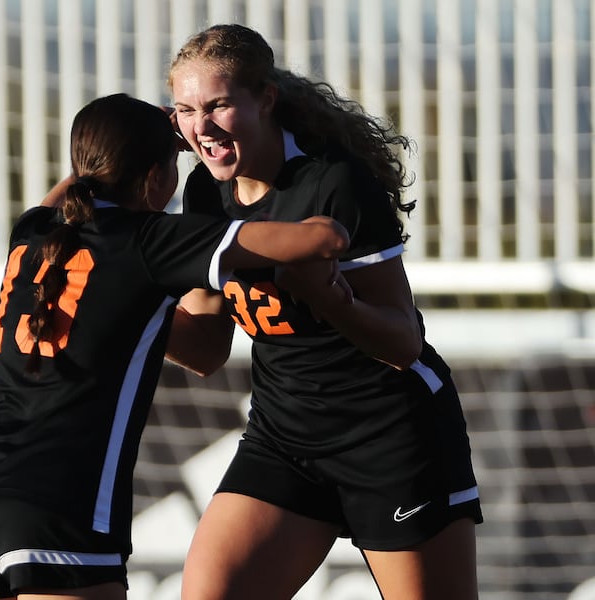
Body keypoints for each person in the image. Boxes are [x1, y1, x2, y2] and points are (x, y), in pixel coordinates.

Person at [0, 92, 350, 600]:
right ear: (156, 178)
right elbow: (324, 238)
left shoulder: (33, 230)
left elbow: (198, 349)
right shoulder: (152, 238)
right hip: (58, 504)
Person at [165, 24, 483, 600]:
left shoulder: (333, 182)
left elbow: (402, 344)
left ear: (265, 99)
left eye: (218, 105)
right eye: (185, 110)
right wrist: (121, 305)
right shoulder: (205, 194)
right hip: (284, 438)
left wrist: (329, 298)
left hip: (391, 436)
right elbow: (207, 348)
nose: (201, 128)